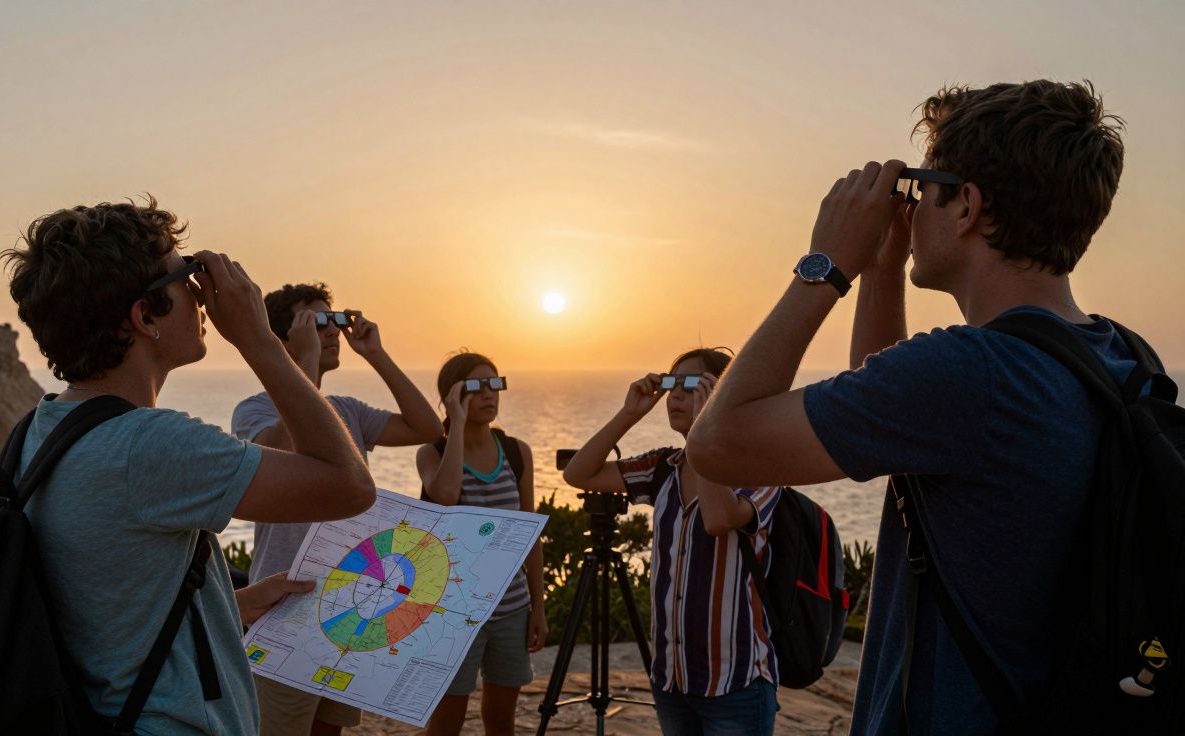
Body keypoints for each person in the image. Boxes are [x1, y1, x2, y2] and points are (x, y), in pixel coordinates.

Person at [685, 81, 1132, 735]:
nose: (911, 205)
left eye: (923, 187)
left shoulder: (971, 374)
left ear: (967, 206)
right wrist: (884, 270)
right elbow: (895, 424)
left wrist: (826, 264)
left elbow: (716, 443)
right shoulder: (1112, 355)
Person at [1, 197, 376, 735]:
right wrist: (259, 340)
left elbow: (106, 597)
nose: (204, 296)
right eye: (188, 278)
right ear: (145, 316)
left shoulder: (44, 426)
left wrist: (233, 605)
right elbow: (349, 485)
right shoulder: (152, 445)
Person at [231, 282, 443, 736]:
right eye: (317, 322)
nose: (332, 332)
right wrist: (303, 363)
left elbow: (427, 426)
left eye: (334, 320)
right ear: (283, 338)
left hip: (352, 602)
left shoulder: (346, 410)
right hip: (282, 604)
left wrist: (375, 354)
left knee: (330, 729)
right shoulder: (254, 410)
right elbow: (280, 450)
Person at [562, 347, 781, 735]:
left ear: (722, 394)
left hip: (735, 682)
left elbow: (718, 520)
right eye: (671, 383)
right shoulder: (661, 468)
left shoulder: (760, 467)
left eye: (690, 385)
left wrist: (704, 429)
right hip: (670, 681)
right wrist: (631, 413)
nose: (676, 395)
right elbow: (578, 474)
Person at [416, 352, 548, 736]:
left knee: (501, 720)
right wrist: (455, 424)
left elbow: (530, 535)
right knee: (446, 723)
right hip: (453, 613)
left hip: (511, 608)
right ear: (453, 395)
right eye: (476, 386)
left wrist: (538, 607)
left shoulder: (517, 453)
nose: (490, 394)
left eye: (495, 384)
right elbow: (443, 494)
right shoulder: (432, 453)